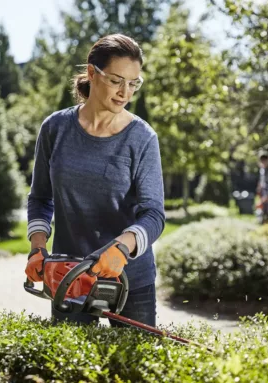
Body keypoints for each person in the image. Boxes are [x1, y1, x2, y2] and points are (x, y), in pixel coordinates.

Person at [24, 34, 165, 327]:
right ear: (92, 72)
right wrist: (38, 247)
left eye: (133, 83)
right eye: (116, 80)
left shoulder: (142, 138)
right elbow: (40, 198)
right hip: (70, 276)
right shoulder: (55, 128)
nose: (125, 92)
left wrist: (122, 248)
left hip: (130, 279)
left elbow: (153, 213)